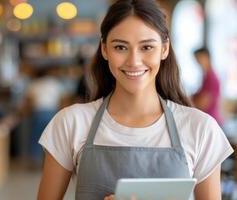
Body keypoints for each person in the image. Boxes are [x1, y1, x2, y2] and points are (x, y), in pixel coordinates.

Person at [38, 0, 233, 199]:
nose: (133, 61)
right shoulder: (71, 123)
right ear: (105, 49)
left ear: (164, 49)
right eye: (121, 47)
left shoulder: (200, 129)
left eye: (147, 47)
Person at [192, 47, 223, 127]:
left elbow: (203, 103)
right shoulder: (206, 77)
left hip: (210, 121)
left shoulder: (211, 78)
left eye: (199, 59)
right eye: (196, 59)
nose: (197, 62)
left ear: (207, 57)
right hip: (208, 119)